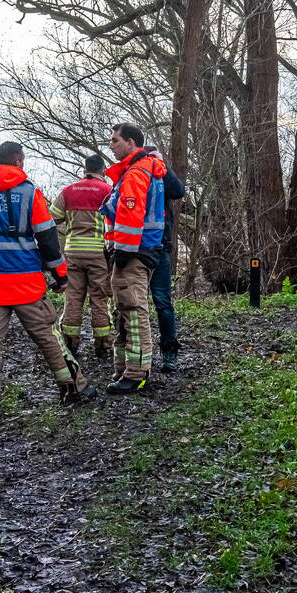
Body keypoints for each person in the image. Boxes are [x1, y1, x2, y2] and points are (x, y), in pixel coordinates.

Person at [0, 141, 95, 419]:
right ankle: (73, 388)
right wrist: (60, 276)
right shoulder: (31, 194)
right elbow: (47, 240)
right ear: (19, 162)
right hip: (26, 282)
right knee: (47, 336)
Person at [100, 123, 166, 394]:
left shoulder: (137, 172)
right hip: (140, 251)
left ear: (131, 142)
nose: (111, 145)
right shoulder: (141, 170)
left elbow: (130, 215)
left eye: (115, 141)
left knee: (133, 311)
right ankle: (125, 369)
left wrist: (121, 252)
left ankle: (136, 373)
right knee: (125, 311)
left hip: (134, 253)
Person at [50, 154, 114, 357]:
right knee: (99, 299)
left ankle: (70, 344)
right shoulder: (108, 191)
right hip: (98, 253)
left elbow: (52, 219)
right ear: (102, 169)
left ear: (84, 169)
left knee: (73, 298)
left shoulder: (69, 191)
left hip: (74, 252)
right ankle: (102, 345)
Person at [143, 145, 185, 373]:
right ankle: (134, 355)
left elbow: (179, 191)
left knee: (162, 302)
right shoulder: (133, 173)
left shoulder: (161, 176)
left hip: (160, 248)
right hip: (134, 250)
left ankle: (169, 353)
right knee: (130, 304)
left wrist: (163, 166)